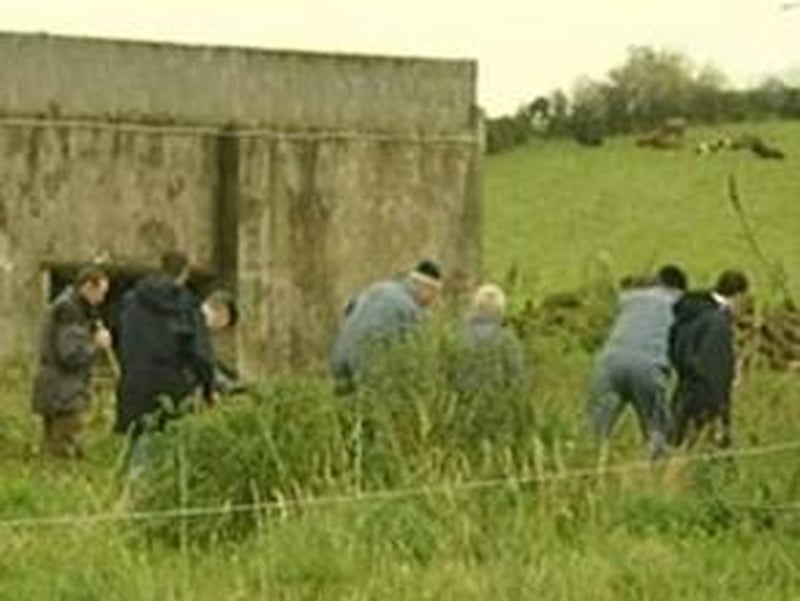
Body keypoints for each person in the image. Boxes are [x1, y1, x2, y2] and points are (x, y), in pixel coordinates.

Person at [114, 251, 238, 437]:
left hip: (133, 388)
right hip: (169, 394)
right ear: (185, 273)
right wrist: (209, 390)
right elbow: (199, 354)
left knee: (138, 449)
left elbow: (121, 339)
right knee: (162, 454)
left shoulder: (131, 300)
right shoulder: (187, 305)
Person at [587, 264, 688, 459]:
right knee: (656, 429)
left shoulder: (631, 298)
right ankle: (656, 476)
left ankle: (585, 471)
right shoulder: (679, 303)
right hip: (648, 365)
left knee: (595, 428)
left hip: (609, 362)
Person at [31, 265, 112, 458]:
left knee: (52, 451)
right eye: (100, 293)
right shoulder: (70, 311)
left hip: (56, 390)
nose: (101, 300)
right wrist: (96, 344)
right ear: (88, 287)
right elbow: (71, 355)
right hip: (65, 393)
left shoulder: (69, 307)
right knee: (63, 454)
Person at [331, 260, 443, 392]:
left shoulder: (377, 288)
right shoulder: (411, 309)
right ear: (426, 288)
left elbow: (348, 310)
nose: (433, 301)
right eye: (434, 294)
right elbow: (416, 356)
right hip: (368, 372)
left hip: (338, 363)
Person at [669, 269, 749, 449]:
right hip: (706, 398)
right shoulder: (717, 322)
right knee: (712, 455)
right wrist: (719, 408)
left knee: (679, 449)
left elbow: (674, 349)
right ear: (739, 296)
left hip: (684, 392)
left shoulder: (690, 313)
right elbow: (715, 367)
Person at [451, 283, 526, 398]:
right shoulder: (508, 340)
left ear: (476, 306)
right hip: (497, 405)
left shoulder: (457, 335)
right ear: (500, 310)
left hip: (461, 403)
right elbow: (516, 379)